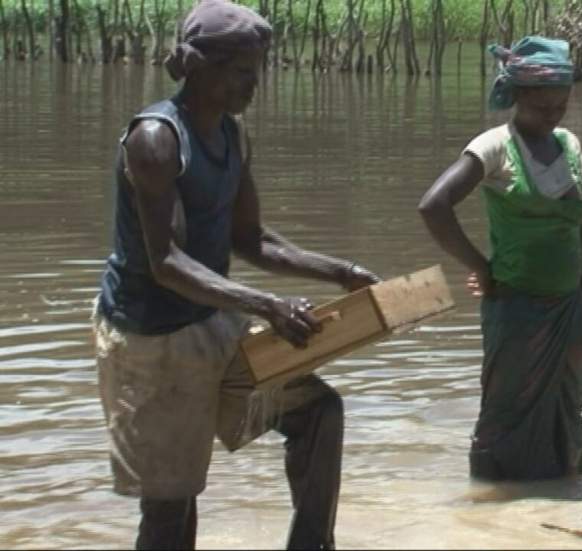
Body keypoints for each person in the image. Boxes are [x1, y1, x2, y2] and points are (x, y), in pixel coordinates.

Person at [92, 1, 380, 548]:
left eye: (258, 69)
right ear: (202, 67)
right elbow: (166, 263)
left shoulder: (233, 134)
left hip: (214, 321)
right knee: (172, 506)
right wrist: (269, 306)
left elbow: (252, 240)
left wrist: (342, 272)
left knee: (319, 413)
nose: (256, 83)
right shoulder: (155, 140)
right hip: (151, 340)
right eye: (244, 71)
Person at [418, 36, 582, 481]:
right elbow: (434, 206)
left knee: (569, 408)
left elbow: (575, 230)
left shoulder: (568, 144)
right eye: (543, 108)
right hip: (517, 306)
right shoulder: (494, 147)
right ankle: (487, 507)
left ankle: (566, 490)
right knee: (504, 413)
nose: (553, 117)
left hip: (570, 306)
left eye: (560, 107)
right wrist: (480, 266)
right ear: (520, 97)